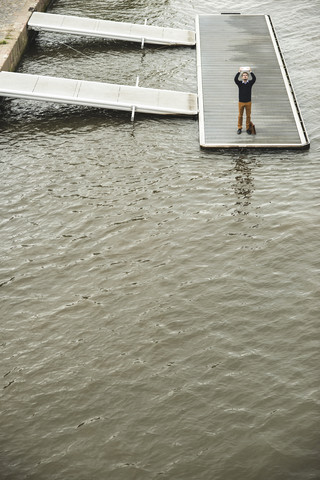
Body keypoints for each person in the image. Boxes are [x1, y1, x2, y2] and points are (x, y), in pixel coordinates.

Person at [234, 69, 256, 134]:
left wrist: (251, 71)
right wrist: (239, 72)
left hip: (248, 102)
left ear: (248, 76)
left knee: (248, 116)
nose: (245, 76)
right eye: (243, 75)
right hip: (241, 102)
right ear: (242, 77)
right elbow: (235, 79)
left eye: (246, 75)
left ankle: (247, 128)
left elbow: (254, 79)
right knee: (240, 115)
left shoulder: (250, 83)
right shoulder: (240, 83)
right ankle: (239, 128)